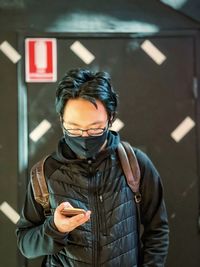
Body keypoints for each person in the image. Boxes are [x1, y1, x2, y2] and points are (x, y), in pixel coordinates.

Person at [16, 68, 169, 267]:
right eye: (74, 128)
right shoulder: (44, 174)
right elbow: (25, 243)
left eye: (95, 128)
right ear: (61, 121)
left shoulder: (135, 164)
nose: (84, 136)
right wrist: (55, 228)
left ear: (111, 119)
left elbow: (157, 231)